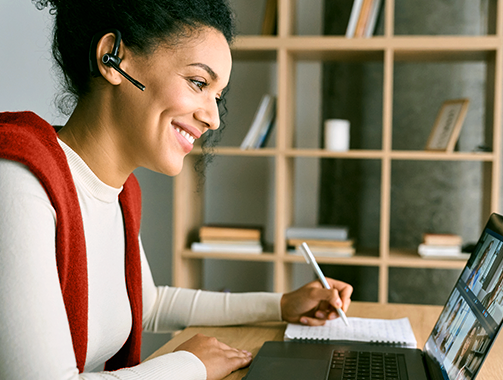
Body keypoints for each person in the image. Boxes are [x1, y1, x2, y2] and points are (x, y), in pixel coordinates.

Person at [0, 1, 353, 379]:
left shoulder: (122, 193)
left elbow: (149, 304)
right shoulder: (18, 180)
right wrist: (191, 365)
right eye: (199, 83)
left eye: (217, 96)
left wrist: (282, 304)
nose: (214, 119)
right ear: (112, 58)